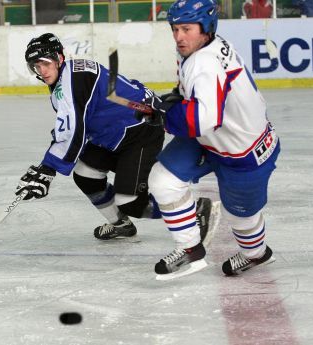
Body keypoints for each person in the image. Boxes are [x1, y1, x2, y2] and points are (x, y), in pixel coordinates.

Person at [15, 33, 213, 242]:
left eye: (45, 63)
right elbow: (73, 126)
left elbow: (74, 129)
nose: (41, 71)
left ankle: (192, 212)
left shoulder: (74, 79)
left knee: (131, 201)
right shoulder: (66, 79)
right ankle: (121, 224)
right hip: (114, 133)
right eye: (36, 66)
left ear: (59, 58)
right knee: (85, 175)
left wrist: (47, 169)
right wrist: (47, 165)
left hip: (139, 131)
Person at [136, 0, 280, 279]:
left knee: (241, 218)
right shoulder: (203, 46)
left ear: (206, 27)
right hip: (212, 139)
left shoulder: (204, 62)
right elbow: (200, 100)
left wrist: (165, 115)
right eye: (175, 29)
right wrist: (174, 100)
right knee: (163, 180)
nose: (179, 37)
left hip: (244, 151)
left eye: (186, 28)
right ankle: (190, 249)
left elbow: (203, 120)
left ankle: (256, 254)